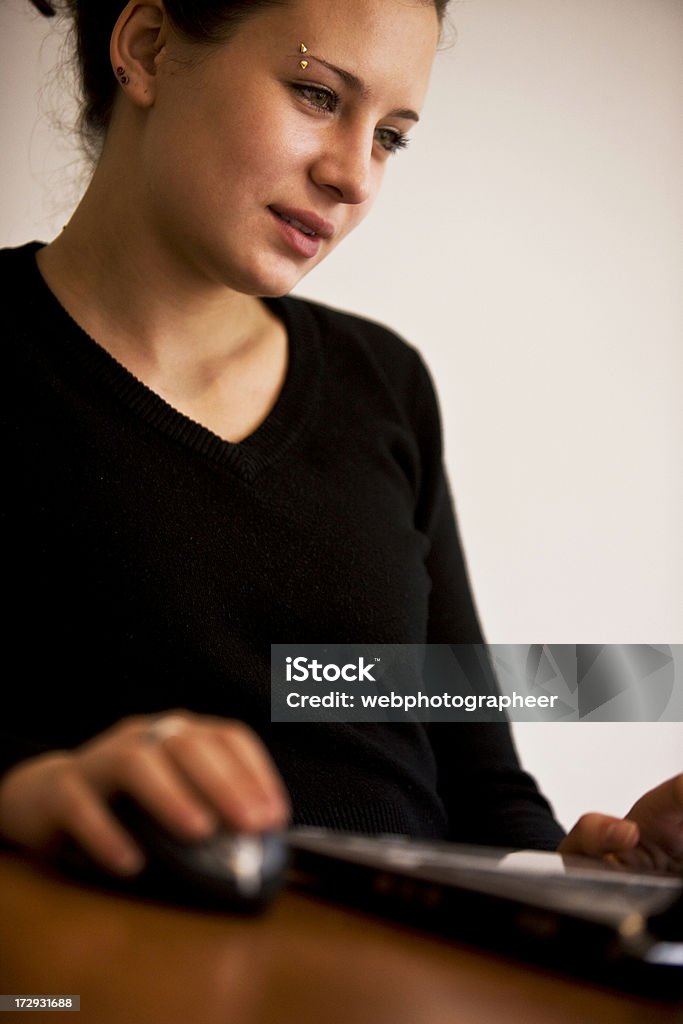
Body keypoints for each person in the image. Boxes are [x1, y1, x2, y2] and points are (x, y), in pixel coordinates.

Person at [0, 0, 680, 880]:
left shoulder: (383, 385)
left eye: (392, 136)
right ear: (148, 47)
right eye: (317, 94)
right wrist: (28, 789)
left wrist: (580, 877)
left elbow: (477, 785)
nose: (355, 176)